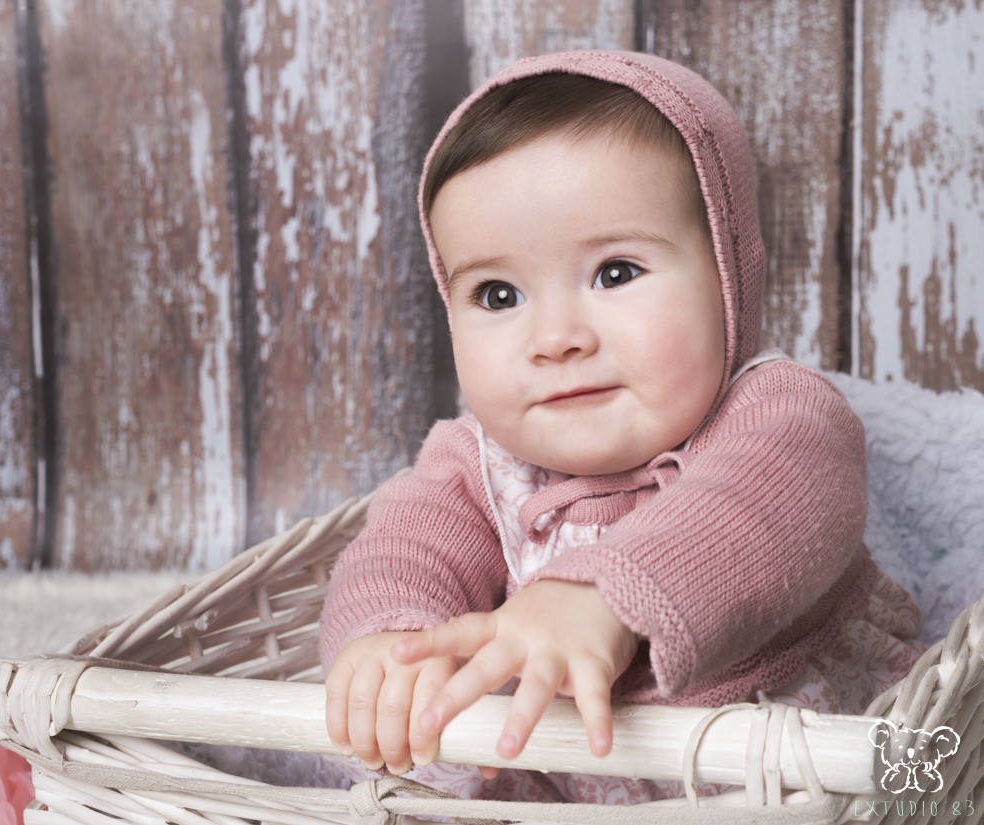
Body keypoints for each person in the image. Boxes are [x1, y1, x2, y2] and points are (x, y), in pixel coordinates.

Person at [317, 50, 924, 804]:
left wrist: (604, 596)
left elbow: (751, 512)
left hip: (794, 770)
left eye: (615, 273)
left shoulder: (781, 414)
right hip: (567, 784)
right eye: (499, 294)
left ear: (727, 276)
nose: (556, 338)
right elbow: (405, 547)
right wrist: (393, 643)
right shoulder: (478, 461)